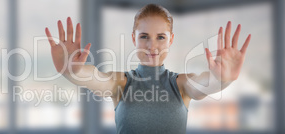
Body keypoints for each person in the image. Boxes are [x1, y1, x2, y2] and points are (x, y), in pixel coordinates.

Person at [44, 4, 251, 134]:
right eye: (144, 36)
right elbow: (95, 78)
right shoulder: (121, 82)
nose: (152, 46)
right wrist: (71, 71)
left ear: (171, 40)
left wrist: (224, 79)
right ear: (134, 38)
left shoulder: (180, 84)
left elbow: (206, 84)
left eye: (161, 37)